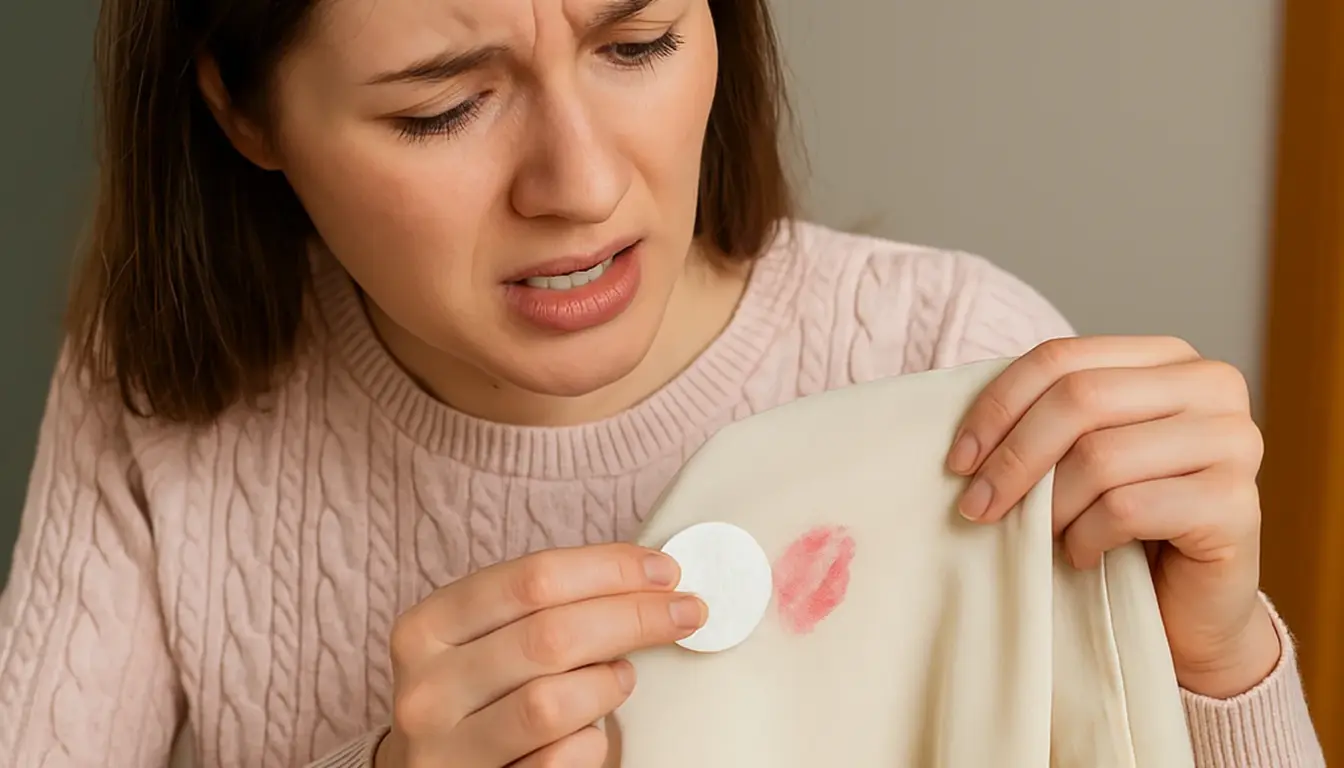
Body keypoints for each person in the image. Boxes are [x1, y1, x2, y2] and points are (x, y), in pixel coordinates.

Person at [0, 0, 1324, 765]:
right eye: (440, 110)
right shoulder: (159, 402)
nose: (579, 185)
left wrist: (1216, 661)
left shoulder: (959, 364)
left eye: (635, 43)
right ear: (242, 112)